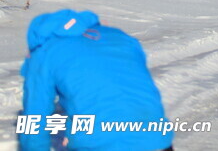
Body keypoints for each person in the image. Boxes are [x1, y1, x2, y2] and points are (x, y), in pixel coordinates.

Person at [19, 9, 173, 151]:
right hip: (156, 139)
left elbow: (35, 116)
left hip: (99, 143)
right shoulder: (121, 37)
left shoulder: (45, 52)